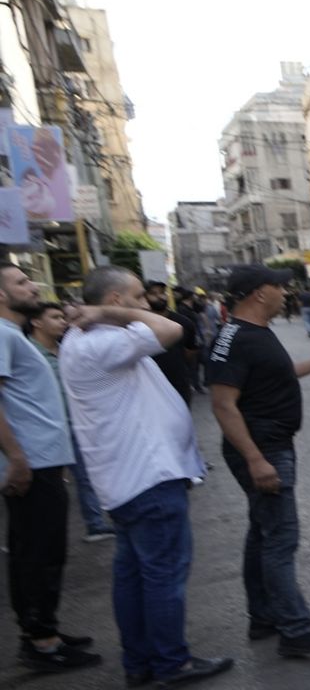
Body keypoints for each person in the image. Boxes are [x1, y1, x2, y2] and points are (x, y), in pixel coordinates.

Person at [60, 266, 233, 688]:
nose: (147, 303)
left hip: (130, 481)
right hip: (148, 480)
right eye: (137, 297)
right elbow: (170, 328)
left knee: (136, 576)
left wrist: (104, 314)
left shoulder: (87, 341)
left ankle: (140, 663)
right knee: (162, 577)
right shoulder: (100, 341)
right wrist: (105, 313)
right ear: (114, 301)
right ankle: (172, 663)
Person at [208, 265, 310, 658]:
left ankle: (264, 616)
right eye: (279, 286)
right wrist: (255, 459)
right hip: (264, 449)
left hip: (268, 444)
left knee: (262, 534)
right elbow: (222, 404)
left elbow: (272, 378)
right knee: (281, 539)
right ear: (258, 293)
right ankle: (295, 630)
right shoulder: (237, 338)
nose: (286, 291)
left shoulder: (248, 333)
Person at [0, 262, 101, 672]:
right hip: (30, 463)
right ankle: (41, 642)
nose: (33, 284)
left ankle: (45, 631)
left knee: (42, 551)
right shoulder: (3, 335)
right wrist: (19, 459)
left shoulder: (14, 335)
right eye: (22, 281)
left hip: (42, 460)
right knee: (37, 554)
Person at [24, 303, 113, 542]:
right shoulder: (29, 352)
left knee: (86, 476)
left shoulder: (67, 349)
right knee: (48, 486)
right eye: (55, 317)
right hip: (46, 430)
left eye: (63, 317)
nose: (63, 322)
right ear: (36, 322)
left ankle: (95, 524)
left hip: (75, 423)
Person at [145, 281, 198, 405]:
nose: (160, 296)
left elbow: (190, 351)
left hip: (179, 383)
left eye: (163, 292)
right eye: (153, 293)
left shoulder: (184, 322)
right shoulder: (139, 325)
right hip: (151, 386)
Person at [176, 289, 206, 394]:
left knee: (198, 362)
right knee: (193, 363)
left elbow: (201, 308)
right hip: (190, 339)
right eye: (194, 296)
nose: (196, 297)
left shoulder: (191, 307)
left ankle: (197, 384)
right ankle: (193, 385)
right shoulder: (182, 309)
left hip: (196, 337)